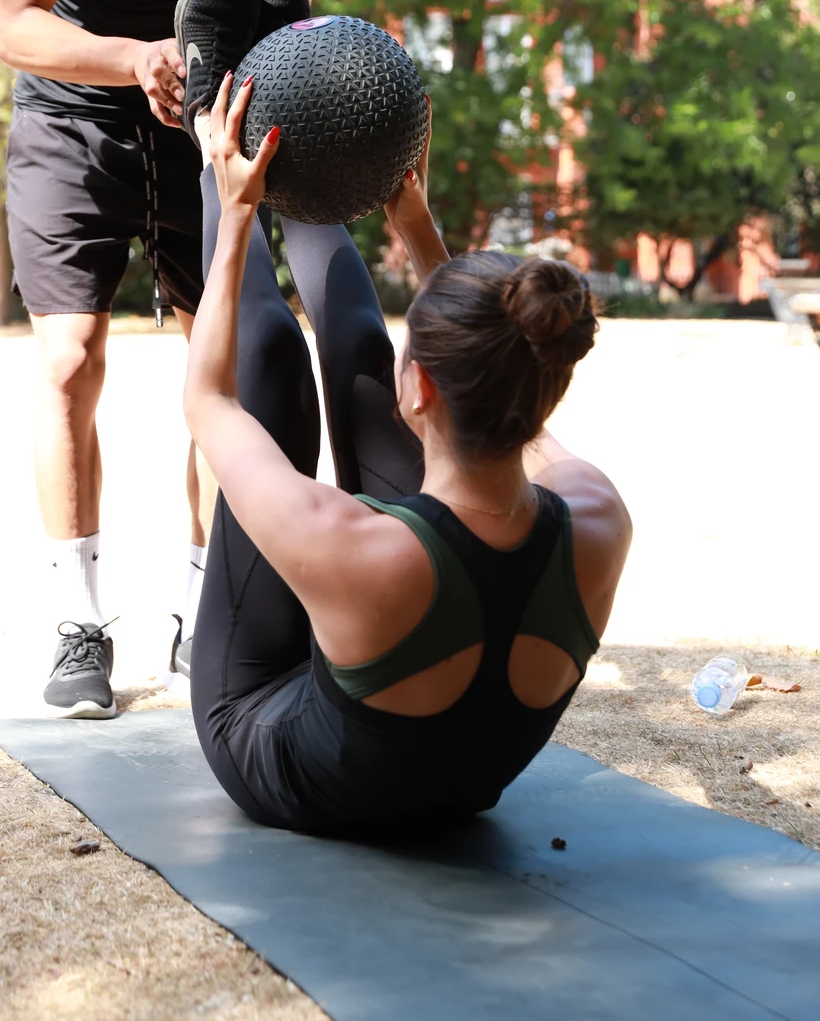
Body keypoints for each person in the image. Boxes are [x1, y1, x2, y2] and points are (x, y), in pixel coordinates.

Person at [181, 72, 633, 836]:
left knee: (272, 372)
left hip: (276, 745)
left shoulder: (349, 541)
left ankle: (216, 105)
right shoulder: (598, 518)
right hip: (454, 780)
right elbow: (499, 361)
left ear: (419, 386)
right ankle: (301, 93)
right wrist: (416, 228)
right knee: (358, 354)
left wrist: (232, 212)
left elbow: (210, 401)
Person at [0, 0, 313, 715]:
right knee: (70, 357)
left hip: (204, 110)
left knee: (219, 359)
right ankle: (78, 623)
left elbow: (288, 13)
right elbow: (16, 26)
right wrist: (134, 56)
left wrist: (238, 94)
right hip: (76, 102)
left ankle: (206, 609)